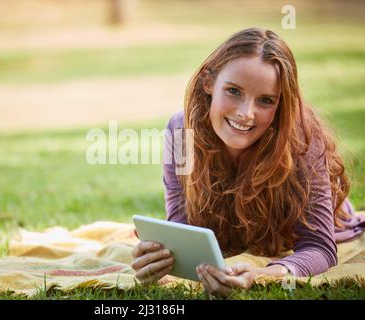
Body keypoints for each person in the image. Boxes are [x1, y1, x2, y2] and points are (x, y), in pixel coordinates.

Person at [131, 28, 365, 296]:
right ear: (209, 82)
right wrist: (160, 258)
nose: (246, 114)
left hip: (316, 223)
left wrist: (265, 274)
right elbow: (183, 227)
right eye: (233, 91)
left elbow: (320, 247)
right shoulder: (181, 131)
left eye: (265, 100)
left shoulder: (302, 140)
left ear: (281, 104)